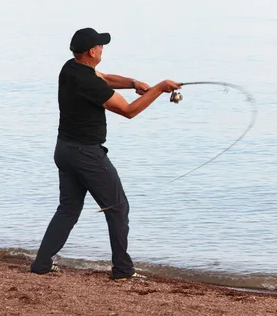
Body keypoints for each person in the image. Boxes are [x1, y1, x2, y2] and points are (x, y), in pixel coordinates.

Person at [30, 28, 181, 280]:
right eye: (100, 45)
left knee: (68, 209)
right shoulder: (87, 82)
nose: (102, 48)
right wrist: (159, 88)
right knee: (118, 208)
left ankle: (42, 264)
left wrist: (133, 82)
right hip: (86, 154)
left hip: (65, 149)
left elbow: (106, 79)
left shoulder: (71, 68)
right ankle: (123, 270)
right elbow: (129, 111)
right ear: (92, 51)